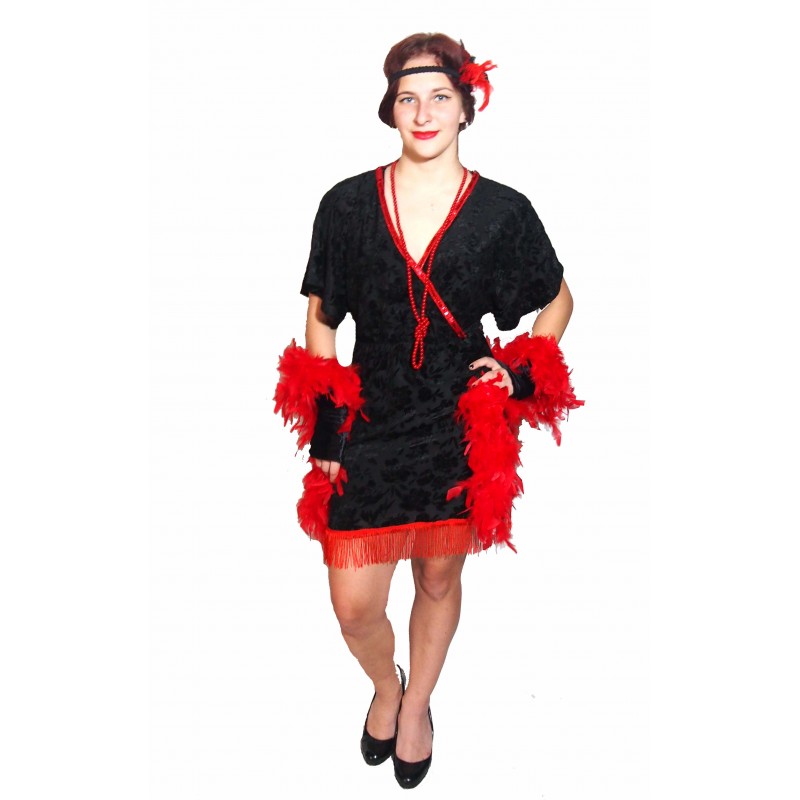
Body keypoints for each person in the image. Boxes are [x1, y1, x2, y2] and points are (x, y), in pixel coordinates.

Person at [274, 32, 581, 789]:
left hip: (456, 424)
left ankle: (417, 708)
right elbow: (322, 318)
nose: (423, 113)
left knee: (439, 579)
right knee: (353, 606)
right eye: (408, 98)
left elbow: (558, 300)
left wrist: (515, 371)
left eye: (440, 97)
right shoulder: (346, 204)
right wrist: (328, 427)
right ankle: (387, 685)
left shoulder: (503, 211)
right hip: (371, 419)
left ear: (466, 107)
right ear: (390, 109)